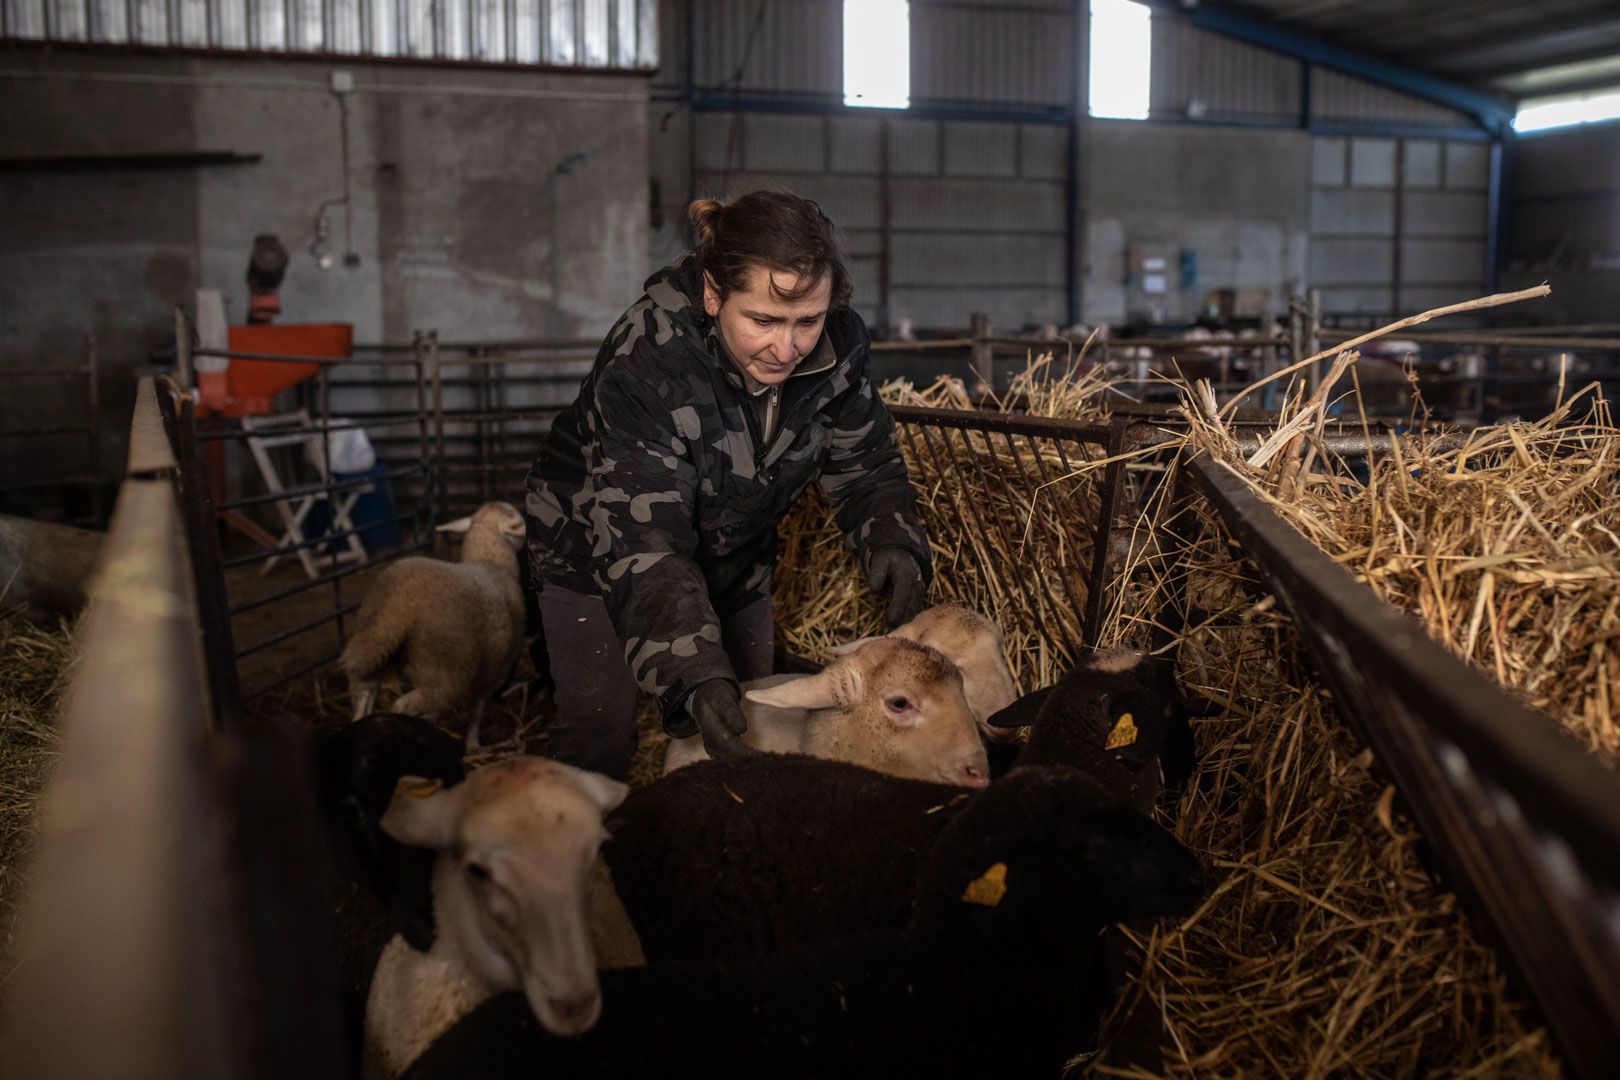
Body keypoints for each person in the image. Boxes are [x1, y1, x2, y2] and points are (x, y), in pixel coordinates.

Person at [524, 190, 932, 780]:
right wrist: (691, 670)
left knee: (753, 714)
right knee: (600, 729)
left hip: (735, 547)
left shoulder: (839, 347)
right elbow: (645, 540)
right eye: (763, 320)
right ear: (714, 294)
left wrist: (891, 535)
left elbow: (864, 456)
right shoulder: (650, 358)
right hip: (595, 551)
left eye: (807, 321)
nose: (787, 349)